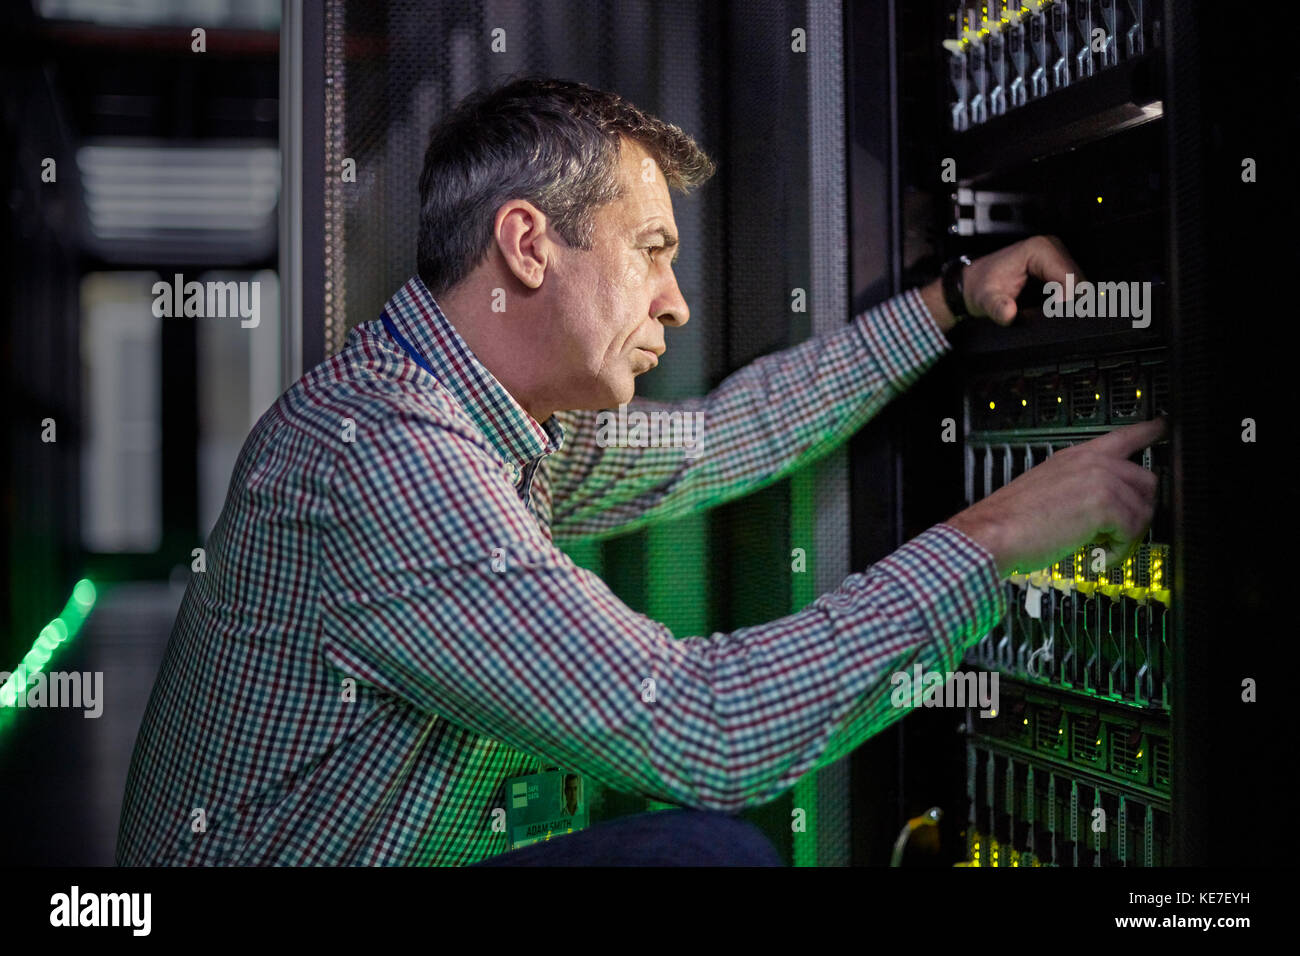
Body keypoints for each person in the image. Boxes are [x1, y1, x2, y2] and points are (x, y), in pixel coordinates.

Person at [116, 76, 1163, 867]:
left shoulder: (477, 417)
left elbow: (721, 438)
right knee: (708, 854)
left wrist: (946, 299)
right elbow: (713, 731)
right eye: (651, 248)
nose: (675, 301)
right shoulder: (392, 459)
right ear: (527, 244)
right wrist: (993, 540)